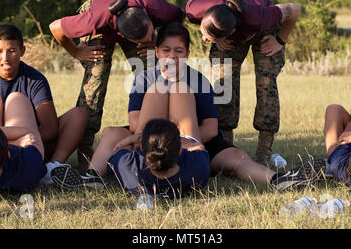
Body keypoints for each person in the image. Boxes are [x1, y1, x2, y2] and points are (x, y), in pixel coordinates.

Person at [50, 22, 320, 192]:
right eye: (166, 50)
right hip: (149, 134)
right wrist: (154, 142)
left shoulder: (197, 80)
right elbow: (135, 125)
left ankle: (276, 179)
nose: (172, 56)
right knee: (110, 133)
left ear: (187, 54)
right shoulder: (144, 78)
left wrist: (177, 145)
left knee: (237, 158)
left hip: (190, 137)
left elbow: (211, 128)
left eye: (179, 51)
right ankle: (92, 178)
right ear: (157, 52)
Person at [49, 0, 184, 170]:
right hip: (101, 19)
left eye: (150, 32)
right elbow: (55, 27)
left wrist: (154, 42)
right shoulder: (95, 19)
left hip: (137, 14)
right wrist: (76, 52)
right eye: (143, 39)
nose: (148, 39)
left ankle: (158, 140)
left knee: (154, 74)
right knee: (94, 83)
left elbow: (179, 19)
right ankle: (85, 153)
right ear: (123, 36)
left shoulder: (158, 8)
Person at [185, 0, 300, 166]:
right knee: (223, 85)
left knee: (266, 84)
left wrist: (279, 40)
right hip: (225, 25)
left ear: (231, 33)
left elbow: (294, 8)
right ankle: (224, 147)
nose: (204, 40)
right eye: (204, 33)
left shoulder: (259, 17)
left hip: (264, 30)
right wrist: (218, 37)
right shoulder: (196, 10)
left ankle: (263, 154)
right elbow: (187, 7)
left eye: (209, 38)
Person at [0, 25, 87, 184]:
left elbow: (50, 129)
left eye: (11, 51)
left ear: (22, 51)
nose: (5, 57)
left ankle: (53, 166)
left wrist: (10, 138)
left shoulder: (35, 79)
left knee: (79, 114)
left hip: (24, 143)